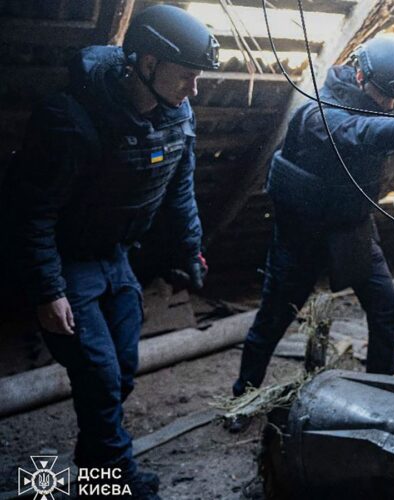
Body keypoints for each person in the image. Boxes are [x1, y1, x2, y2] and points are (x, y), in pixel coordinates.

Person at [6, 5, 218, 497]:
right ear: (146, 64)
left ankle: (95, 471)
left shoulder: (175, 113)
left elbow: (178, 187)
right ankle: (113, 481)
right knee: (99, 375)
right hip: (67, 263)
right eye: (186, 76)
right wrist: (47, 291)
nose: (194, 90)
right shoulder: (70, 120)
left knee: (121, 371)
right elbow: (30, 213)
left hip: (115, 255)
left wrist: (190, 249)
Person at [229, 37, 394, 430]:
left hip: (351, 228)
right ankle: (243, 396)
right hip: (301, 235)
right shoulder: (319, 113)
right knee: (274, 320)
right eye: (383, 98)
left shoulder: (387, 105)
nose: (389, 106)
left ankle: (380, 389)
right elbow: (363, 132)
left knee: (385, 306)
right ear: (359, 77)